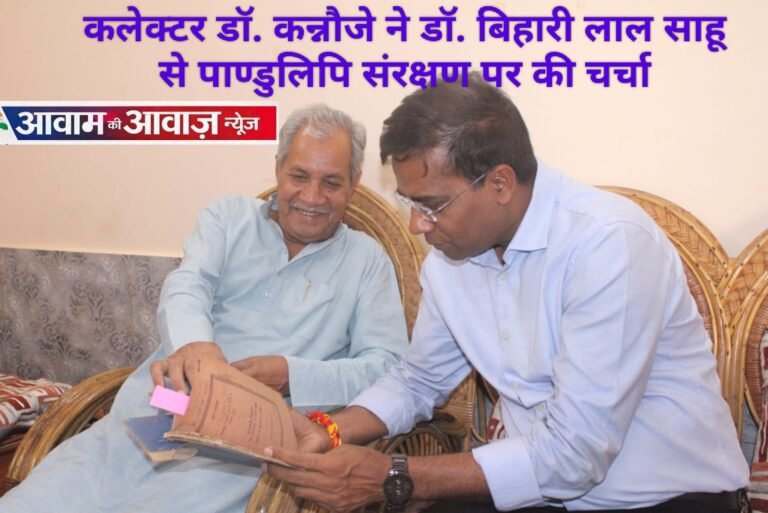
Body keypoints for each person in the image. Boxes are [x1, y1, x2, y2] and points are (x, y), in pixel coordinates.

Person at [265, 74, 750, 513]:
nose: (417, 225)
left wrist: (397, 476)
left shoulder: (607, 245)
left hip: (664, 498)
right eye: (410, 204)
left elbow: (575, 455)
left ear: (499, 183)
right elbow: (418, 381)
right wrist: (330, 430)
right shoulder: (451, 261)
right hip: (535, 493)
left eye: (432, 205)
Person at [0, 104, 409, 513]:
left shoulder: (366, 260)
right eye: (299, 176)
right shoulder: (229, 218)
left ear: (354, 183)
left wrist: (291, 374)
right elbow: (188, 284)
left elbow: (386, 367)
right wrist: (197, 349)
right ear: (278, 168)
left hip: (243, 451)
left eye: (331, 182)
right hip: (153, 414)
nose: (312, 197)